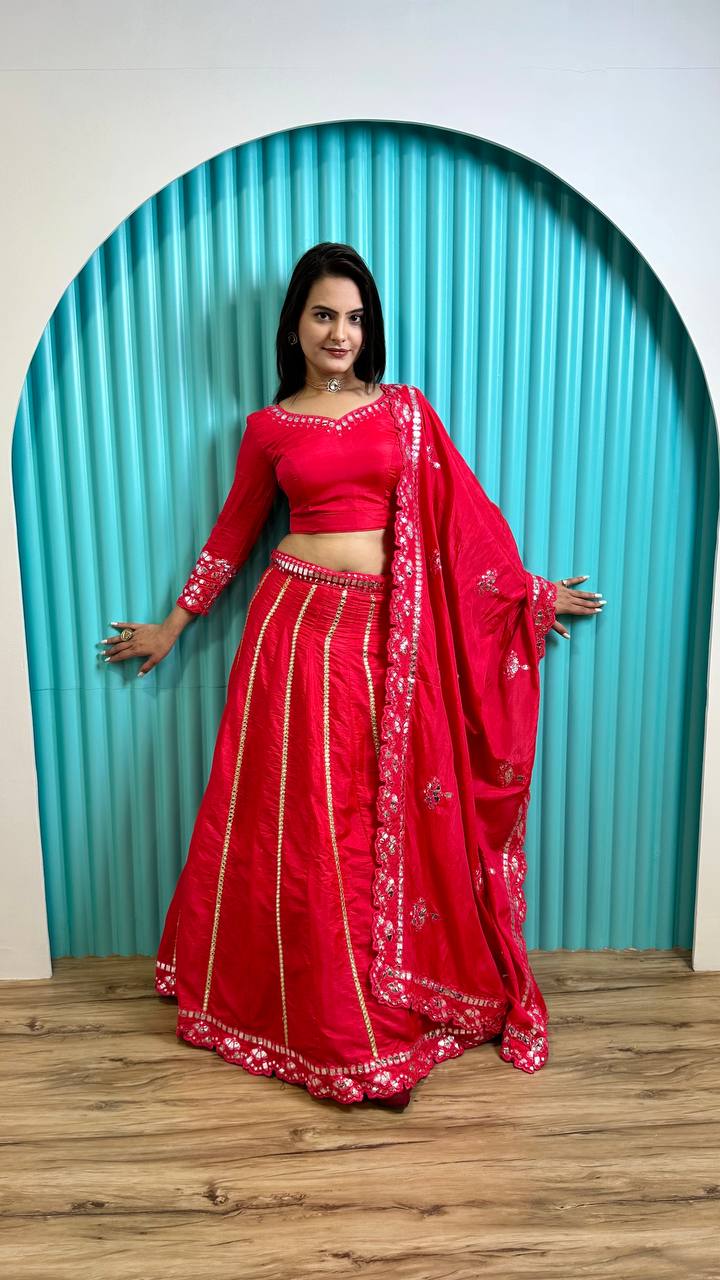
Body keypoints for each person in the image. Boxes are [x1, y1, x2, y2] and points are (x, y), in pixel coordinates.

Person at [100, 242, 605, 1110]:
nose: (340, 332)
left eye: (355, 318)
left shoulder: (405, 411)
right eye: (324, 315)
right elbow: (232, 534)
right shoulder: (268, 428)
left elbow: (462, 525)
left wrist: (526, 592)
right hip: (292, 630)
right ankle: (329, 1025)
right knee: (303, 828)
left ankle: (375, 1007)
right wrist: (171, 626)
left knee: (374, 819)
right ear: (295, 326)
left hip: (384, 637)